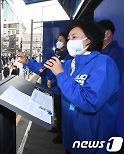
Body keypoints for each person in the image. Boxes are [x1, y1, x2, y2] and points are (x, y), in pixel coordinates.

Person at [43, 20, 119, 154]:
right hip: (71, 138)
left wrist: (60, 75)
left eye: (74, 37)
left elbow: (89, 101)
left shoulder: (104, 64)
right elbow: (62, 84)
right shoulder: (70, 64)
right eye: (69, 38)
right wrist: (28, 63)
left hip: (92, 144)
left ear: (88, 40)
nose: (69, 41)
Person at [17, 32, 72, 144]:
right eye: (58, 40)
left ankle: (64, 134)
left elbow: (66, 75)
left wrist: (52, 81)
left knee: (65, 115)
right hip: (56, 91)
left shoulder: (70, 59)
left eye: (61, 40)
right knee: (58, 111)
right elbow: (43, 68)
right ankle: (59, 127)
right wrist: (27, 62)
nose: (58, 42)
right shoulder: (58, 55)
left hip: (65, 94)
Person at [98, 19, 124, 153]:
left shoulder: (117, 53)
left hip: (105, 104)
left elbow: (107, 80)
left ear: (107, 33)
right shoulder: (97, 52)